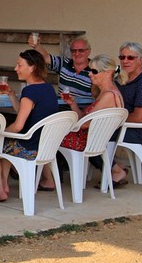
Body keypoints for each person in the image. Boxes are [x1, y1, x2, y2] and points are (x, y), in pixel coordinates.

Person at [0, 50, 59, 202]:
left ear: (32, 67)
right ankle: (4, 185)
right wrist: (11, 94)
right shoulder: (48, 88)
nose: (16, 68)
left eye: (19, 65)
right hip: (45, 145)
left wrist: (0, 133)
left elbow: (18, 126)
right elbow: (22, 111)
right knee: (6, 142)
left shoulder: (30, 91)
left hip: (28, 147)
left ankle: (0, 189)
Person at [53, 54, 127, 189]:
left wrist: (67, 125)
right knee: (51, 134)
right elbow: (85, 119)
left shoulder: (109, 96)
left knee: (49, 137)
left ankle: (50, 179)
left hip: (90, 140)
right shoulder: (105, 92)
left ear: (108, 73)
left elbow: (85, 124)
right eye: (89, 70)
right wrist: (73, 104)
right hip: (93, 138)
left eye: (94, 71)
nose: (90, 74)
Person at [109, 42, 142, 185]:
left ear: (141, 60)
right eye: (122, 57)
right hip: (123, 126)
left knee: (95, 135)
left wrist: (112, 122)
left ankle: (116, 170)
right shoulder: (123, 79)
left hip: (137, 131)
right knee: (91, 132)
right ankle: (117, 167)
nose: (125, 61)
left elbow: (137, 118)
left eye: (130, 57)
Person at [29, 35, 95, 98]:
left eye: (81, 50)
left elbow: (97, 95)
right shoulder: (64, 63)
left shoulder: (94, 70)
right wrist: (37, 46)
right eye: (73, 51)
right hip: (61, 105)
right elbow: (46, 58)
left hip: (83, 106)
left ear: (88, 52)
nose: (77, 53)